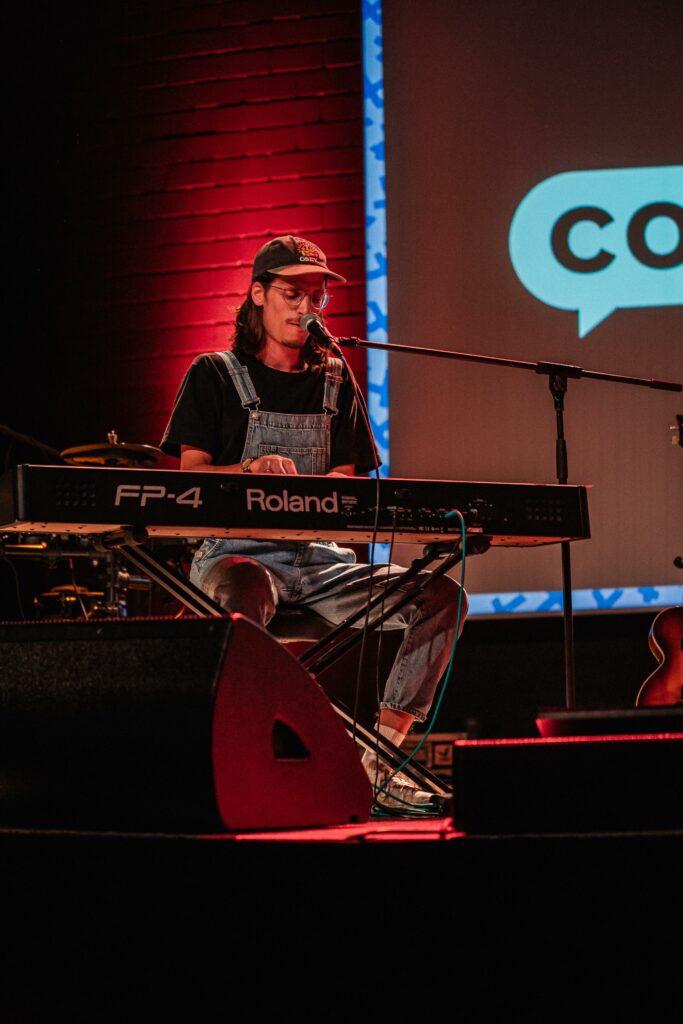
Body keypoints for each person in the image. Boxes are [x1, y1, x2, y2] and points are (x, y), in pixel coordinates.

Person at [161, 235, 467, 810]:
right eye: (292, 294)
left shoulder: (335, 380)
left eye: (316, 296)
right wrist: (250, 469)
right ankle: (251, 756)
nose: (306, 307)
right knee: (247, 584)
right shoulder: (215, 374)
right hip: (236, 555)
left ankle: (376, 763)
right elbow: (191, 477)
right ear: (258, 294)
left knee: (443, 596)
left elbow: (345, 486)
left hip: (323, 564)